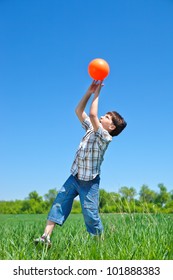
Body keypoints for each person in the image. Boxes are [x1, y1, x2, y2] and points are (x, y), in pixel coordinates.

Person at [34, 80, 127, 246]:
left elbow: (92, 114)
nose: (101, 116)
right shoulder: (91, 128)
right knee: (59, 203)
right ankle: (45, 238)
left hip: (89, 183)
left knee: (90, 215)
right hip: (75, 176)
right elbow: (79, 111)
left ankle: (100, 243)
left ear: (111, 126)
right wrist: (88, 92)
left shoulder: (105, 137)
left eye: (106, 117)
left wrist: (97, 92)